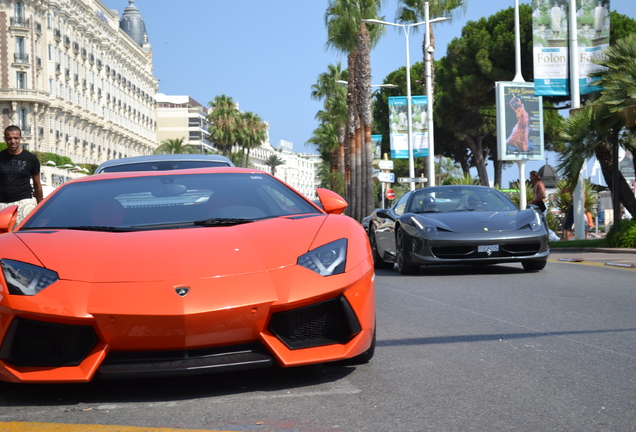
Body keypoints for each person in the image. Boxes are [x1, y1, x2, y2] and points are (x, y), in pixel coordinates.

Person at [0, 125, 43, 224]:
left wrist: (40, 208)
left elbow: (37, 185)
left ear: (20, 138)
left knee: (22, 235)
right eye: (9, 138)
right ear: (5, 139)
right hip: (2, 203)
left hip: (24, 203)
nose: (13, 141)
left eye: (16, 138)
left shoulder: (31, 159)